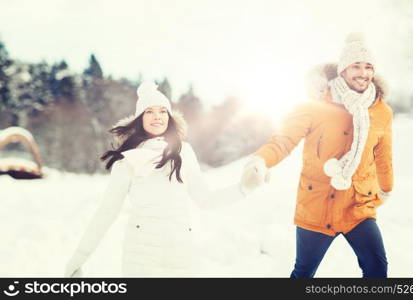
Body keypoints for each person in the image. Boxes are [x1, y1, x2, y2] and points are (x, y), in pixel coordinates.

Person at [241, 33, 393, 278]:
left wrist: (386, 188)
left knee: (377, 269)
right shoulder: (313, 105)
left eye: (368, 67)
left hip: (358, 205)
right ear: (343, 69)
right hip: (317, 205)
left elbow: (383, 155)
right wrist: (261, 160)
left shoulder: (381, 110)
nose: (363, 73)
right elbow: (284, 139)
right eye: (356, 66)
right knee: (303, 272)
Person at [65, 82, 245, 277]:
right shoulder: (127, 161)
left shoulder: (184, 152)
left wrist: (244, 187)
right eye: (149, 112)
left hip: (182, 254)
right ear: (140, 118)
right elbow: (106, 212)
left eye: (163, 111)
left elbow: (206, 199)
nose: (157, 116)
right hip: (141, 258)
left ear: (170, 117)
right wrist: (78, 259)